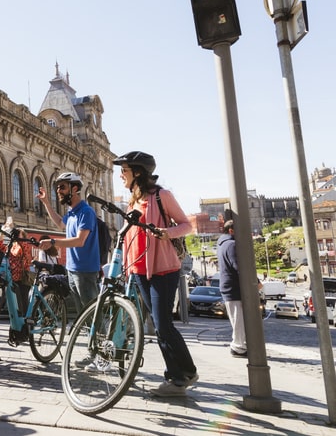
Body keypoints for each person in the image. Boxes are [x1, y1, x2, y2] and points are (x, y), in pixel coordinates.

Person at [114, 150, 197, 397]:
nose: (121, 176)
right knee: (160, 326)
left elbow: (186, 225)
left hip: (163, 270)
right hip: (139, 273)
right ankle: (184, 373)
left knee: (162, 324)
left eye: (124, 171)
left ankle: (180, 376)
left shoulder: (162, 196)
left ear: (138, 172)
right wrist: (127, 269)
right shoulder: (132, 202)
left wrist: (165, 232)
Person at [37, 172, 100, 311]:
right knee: (81, 315)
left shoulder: (86, 212)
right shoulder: (72, 213)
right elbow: (60, 223)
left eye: (62, 187)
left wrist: (53, 242)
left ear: (75, 188)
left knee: (90, 314)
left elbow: (79, 241)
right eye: (57, 188)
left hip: (85, 271)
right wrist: (46, 202)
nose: (58, 190)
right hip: (71, 269)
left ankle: (99, 334)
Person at [217, 219, 247, 358]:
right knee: (239, 320)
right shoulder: (231, 245)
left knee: (237, 320)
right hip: (234, 288)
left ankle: (240, 346)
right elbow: (240, 267)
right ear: (231, 231)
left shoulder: (223, 244)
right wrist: (255, 282)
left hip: (229, 287)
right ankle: (239, 347)